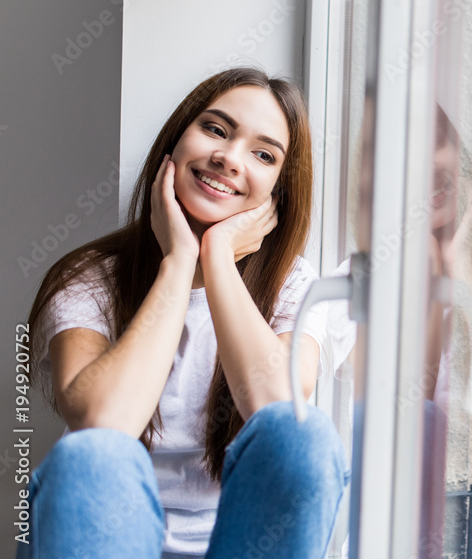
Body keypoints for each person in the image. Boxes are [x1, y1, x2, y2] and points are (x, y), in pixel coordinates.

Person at [19, 67, 350, 559]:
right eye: (215, 129)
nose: (228, 158)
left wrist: (216, 258)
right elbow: (101, 421)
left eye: (263, 155)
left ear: (278, 192)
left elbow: (277, 404)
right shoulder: (89, 279)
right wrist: (178, 264)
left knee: (305, 435)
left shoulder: (294, 286)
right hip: (105, 541)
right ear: (175, 145)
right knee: (89, 455)